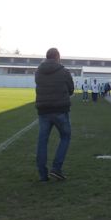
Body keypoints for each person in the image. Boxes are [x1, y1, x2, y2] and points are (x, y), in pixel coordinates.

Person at [35, 47, 74, 181]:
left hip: (43, 110)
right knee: (65, 136)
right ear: (57, 57)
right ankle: (56, 168)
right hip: (60, 110)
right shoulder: (64, 71)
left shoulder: (38, 72)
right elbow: (71, 89)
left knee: (42, 141)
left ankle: (42, 174)